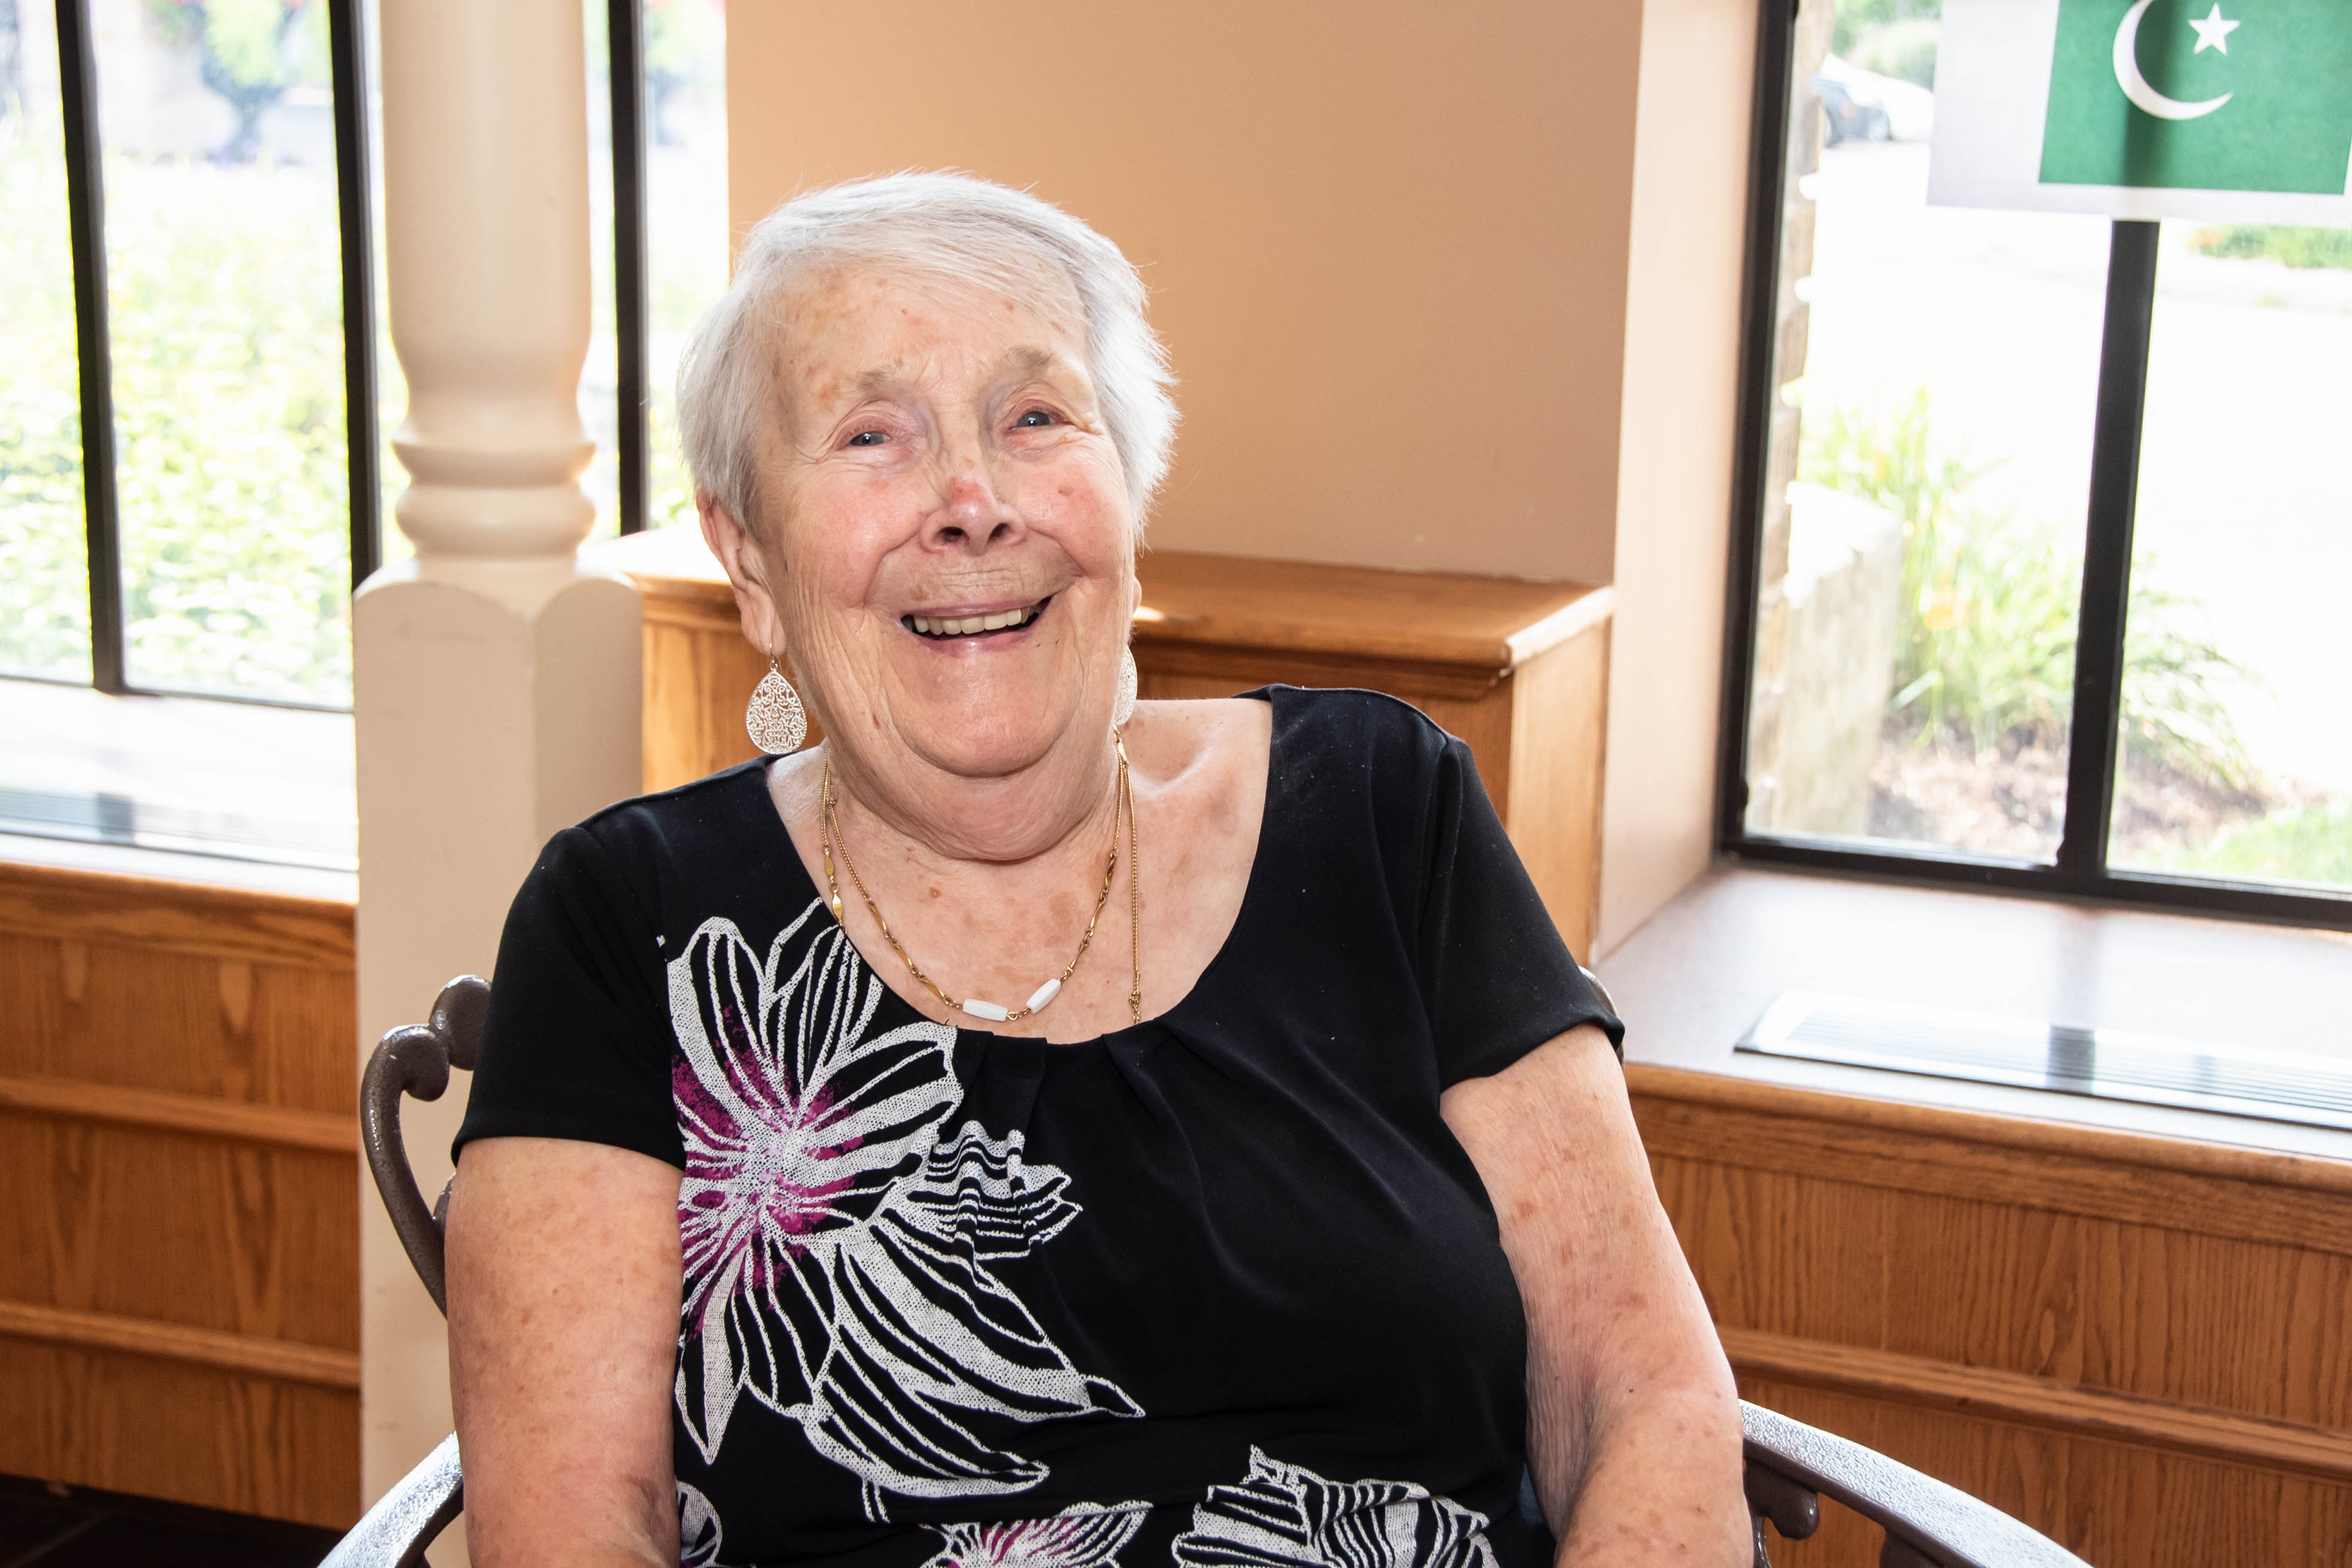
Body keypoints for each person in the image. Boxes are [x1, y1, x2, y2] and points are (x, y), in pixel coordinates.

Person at [446, 172, 1747, 1568]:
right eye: (873, 434)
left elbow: (1644, 1387)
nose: (972, 501)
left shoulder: (1384, 811)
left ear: (1127, 495)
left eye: (1037, 418)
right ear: (749, 561)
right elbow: (572, 1527)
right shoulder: (624, 926)